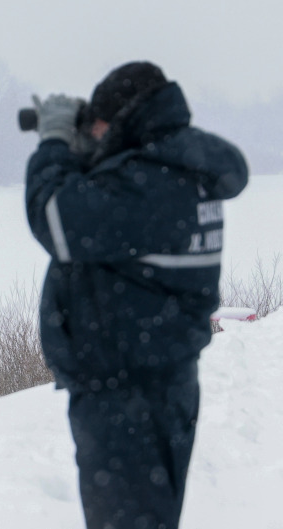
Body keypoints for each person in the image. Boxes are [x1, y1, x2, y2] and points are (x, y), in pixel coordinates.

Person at [24, 61, 248, 529]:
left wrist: (54, 142)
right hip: (157, 385)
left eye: (100, 125)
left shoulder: (150, 184)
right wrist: (84, 149)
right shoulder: (179, 169)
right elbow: (107, 209)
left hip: (126, 400)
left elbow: (56, 218)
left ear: (122, 118)